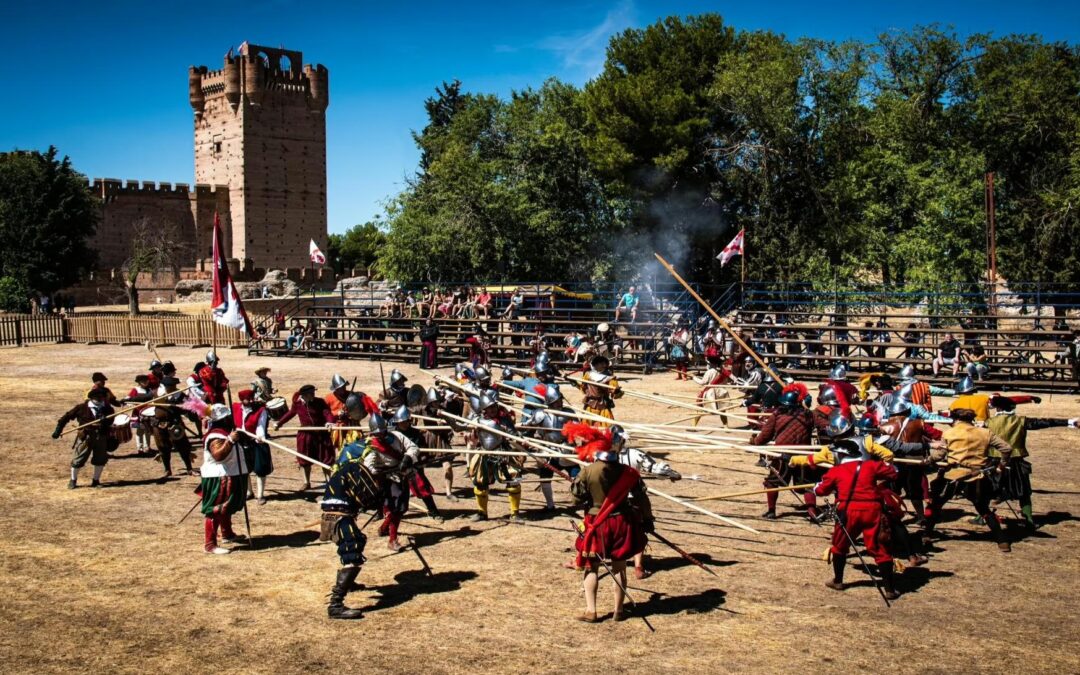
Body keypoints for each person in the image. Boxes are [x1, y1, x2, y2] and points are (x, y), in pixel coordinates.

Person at [567, 422, 652, 623]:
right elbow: (642, 498)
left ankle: (591, 610)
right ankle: (618, 610)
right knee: (619, 567)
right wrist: (648, 519)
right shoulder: (628, 472)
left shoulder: (587, 472)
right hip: (622, 522)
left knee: (592, 566)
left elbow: (575, 499)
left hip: (597, 523)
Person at [813, 412, 901, 600]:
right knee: (879, 547)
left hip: (847, 511)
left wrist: (816, 487)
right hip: (872, 509)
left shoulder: (837, 471)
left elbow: (820, 491)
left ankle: (838, 580)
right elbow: (893, 473)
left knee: (840, 545)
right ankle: (890, 588)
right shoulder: (871, 466)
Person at [923, 408, 1015, 552]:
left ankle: (927, 535)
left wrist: (929, 460)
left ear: (955, 419)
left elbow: (940, 455)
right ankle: (1001, 540)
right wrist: (1002, 465)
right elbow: (1007, 448)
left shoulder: (949, 433)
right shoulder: (985, 433)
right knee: (983, 508)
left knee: (937, 505)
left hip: (953, 475)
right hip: (977, 475)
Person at [986, 396, 1077, 529]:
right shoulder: (1021, 421)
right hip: (1017, 461)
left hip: (994, 461)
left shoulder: (988, 422)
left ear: (998, 408)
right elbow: (1046, 422)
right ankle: (1028, 519)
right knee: (1023, 491)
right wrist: (1069, 422)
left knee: (988, 489)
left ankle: (982, 516)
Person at [320, 433, 383, 619]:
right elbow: (369, 498)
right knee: (352, 550)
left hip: (334, 516)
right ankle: (336, 605)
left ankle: (349, 582)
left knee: (357, 542)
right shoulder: (354, 470)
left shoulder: (341, 470)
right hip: (339, 517)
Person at [751, 385, 819, 521]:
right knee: (807, 485)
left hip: (782, 455)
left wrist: (755, 441)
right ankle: (812, 513)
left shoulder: (777, 415)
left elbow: (765, 436)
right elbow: (819, 424)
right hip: (803, 455)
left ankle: (771, 511)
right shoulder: (808, 415)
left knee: (772, 482)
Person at [361, 413, 421, 551]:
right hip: (386, 479)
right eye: (378, 433)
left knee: (401, 508)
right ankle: (392, 540)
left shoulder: (397, 436)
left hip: (402, 475)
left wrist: (407, 458)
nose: (380, 435)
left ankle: (383, 528)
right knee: (395, 507)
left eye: (382, 431)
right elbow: (369, 464)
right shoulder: (372, 444)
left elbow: (413, 448)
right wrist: (377, 473)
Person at [198, 404, 249, 555]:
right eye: (228, 417)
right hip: (219, 477)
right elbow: (218, 455)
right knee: (216, 509)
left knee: (227, 506)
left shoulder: (225, 432)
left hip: (230, 474)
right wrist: (231, 440)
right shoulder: (215, 436)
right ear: (223, 418)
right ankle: (210, 544)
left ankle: (227, 534)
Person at [468, 394, 524, 521]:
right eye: (489, 407)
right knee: (480, 483)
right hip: (484, 453)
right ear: (484, 409)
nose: (492, 409)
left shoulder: (504, 420)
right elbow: (458, 427)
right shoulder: (477, 421)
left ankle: (515, 513)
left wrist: (512, 436)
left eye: (494, 406)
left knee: (513, 482)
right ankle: (482, 512)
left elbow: (513, 434)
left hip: (502, 453)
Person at [273, 384, 336, 491]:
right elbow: (290, 414)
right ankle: (306, 482)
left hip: (321, 433)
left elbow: (327, 412)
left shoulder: (319, 402)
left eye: (313, 393)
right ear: (304, 395)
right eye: (311, 393)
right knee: (304, 459)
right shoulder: (297, 404)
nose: (313, 395)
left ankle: (329, 482)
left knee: (326, 458)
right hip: (306, 435)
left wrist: (329, 421)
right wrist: (279, 423)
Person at [389, 406, 444, 522]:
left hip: (412, 466)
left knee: (423, 488)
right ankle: (389, 514)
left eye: (404, 421)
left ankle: (434, 512)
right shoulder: (392, 434)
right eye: (400, 422)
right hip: (396, 467)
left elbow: (419, 450)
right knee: (395, 492)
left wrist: (414, 460)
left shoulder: (416, 433)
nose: (403, 424)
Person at [53, 388, 115, 489]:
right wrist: (58, 429)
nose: (100, 399)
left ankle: (96, 481)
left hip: (101, 436)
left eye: (102, 397)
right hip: (85, 436)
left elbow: (111, 421)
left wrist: (105, 421)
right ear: (91, 398)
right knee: (78, 459)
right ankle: (73, 480)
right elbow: (66, 417)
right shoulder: (81, 407)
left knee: (100, 459)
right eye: (97, 397)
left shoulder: (108, 409)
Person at [233, 389, 273, 505]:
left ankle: (260, 495)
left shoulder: (261, 410)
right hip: (241, 442)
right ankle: (249, 492)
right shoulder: (235, 408)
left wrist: (260, 437)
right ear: (242, 400)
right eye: (247, 399)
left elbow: (261, 425)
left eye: (251, 398)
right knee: (244, 469)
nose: (250, 401)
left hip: (256, 442)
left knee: (260, 469)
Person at [151, 376, 196, 477]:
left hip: (175, 424)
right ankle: (167, 470)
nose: (173, 387)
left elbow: (189, 407)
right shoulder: (156, 393)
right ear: (166, 386)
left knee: (183, 446)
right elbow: (142, 398)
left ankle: (189, 468)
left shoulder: (180, 395)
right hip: (160, 425)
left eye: (174, 385)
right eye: (170, 386)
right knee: (163, 447)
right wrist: (127, 399)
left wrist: (183, 408)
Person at [576, 355, 622, 427]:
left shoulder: (610, 377)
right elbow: (583, 388)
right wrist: (573, 382)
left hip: (602, 405)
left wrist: (616, 391)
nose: (604, 365)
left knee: (607, 427)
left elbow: (615, 392)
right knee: (586, 427)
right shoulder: (588, 375)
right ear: (596, 364)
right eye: (601, 363)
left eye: (605, 363)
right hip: (590, 404)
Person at [124, 374, 156, 455]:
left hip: (148, 413)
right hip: (138, 413)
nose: (145, 383)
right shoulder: (135, 390)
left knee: (147, 431)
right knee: (140, 431)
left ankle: (147, 447)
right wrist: (131, 404)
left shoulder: (149, 390)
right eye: (143, 381)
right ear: (139, 382)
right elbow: (128, 399)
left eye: (146, 381)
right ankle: (140, 448)